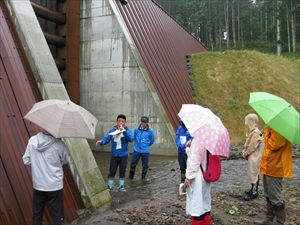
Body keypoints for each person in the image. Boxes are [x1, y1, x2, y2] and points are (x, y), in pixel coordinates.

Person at [22, 131, 70, 225]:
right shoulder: (60, 144)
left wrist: (37, 164)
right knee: (57, 215)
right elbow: (65, 160)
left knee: (37, 214)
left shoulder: (32, 141)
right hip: (55, 185)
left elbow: (26, 160)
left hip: (38, 184)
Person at [254, 127, 292, 225]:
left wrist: (266, 133)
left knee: (275, 196)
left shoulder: (280, 130)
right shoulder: (273, 129)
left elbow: (274, 145)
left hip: (276, 168)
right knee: (268, 194)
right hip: (269, 167)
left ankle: (280, 222)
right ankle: (269, 219)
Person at [95, 114, 134, 192]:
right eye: (119, 121)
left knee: (122, 171)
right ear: (117, 121)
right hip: (114, 154)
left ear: (125, 122)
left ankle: (121, 186)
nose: (120, 122)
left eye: (122, 121)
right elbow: (107, 139)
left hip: (123, 155)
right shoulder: (112, 130)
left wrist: (124, 131)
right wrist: (101, 142)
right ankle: (110, 186)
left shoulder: (127, 130)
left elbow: (131, 139)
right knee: (112, 171)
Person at [184, 140, 211, 225]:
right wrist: (189, 148)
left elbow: (194, 161)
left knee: (197, 204)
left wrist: (188, 178)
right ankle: (206, 222)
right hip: (206, 174)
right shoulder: (209, 140)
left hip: (197, 176)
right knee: (205, 203)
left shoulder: (197, 141)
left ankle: (197, 222)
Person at [242, 114, 264, 201]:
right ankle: (253, 189)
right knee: (253, 173)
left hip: (256, 156)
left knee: (254, 173)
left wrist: (245, 153)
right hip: (255, 155)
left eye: (247, 121)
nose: (246, 123)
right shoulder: (254, 132)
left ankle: (254, 192)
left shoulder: (256, 133)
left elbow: (252, 146)